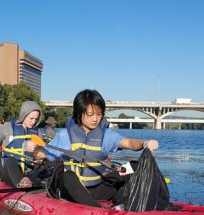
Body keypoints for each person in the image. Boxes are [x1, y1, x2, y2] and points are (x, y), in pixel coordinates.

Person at [28, 89, 158, 207]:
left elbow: (129, 143)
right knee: (67, 176)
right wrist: (34, 149)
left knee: (133, 167)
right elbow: (42, 154)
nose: (95, 119)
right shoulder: (65, 135)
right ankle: (98, 211)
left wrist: (144, 143)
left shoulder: (106, 135)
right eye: (90, 115)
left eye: (99, 114)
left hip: (98, 189)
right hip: (72, 191)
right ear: (79, 114)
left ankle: (122, 203)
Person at [0, 101, 42, 188]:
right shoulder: (7, 127)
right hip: (8, 171)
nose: (33, 122)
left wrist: (38, 157)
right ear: (23, 115)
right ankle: (21, 185)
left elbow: (41, 153)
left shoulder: (37, 132)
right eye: (31, 118)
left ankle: (30, 183)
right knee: (11, 160)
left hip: (29, 172)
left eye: (36, 119)